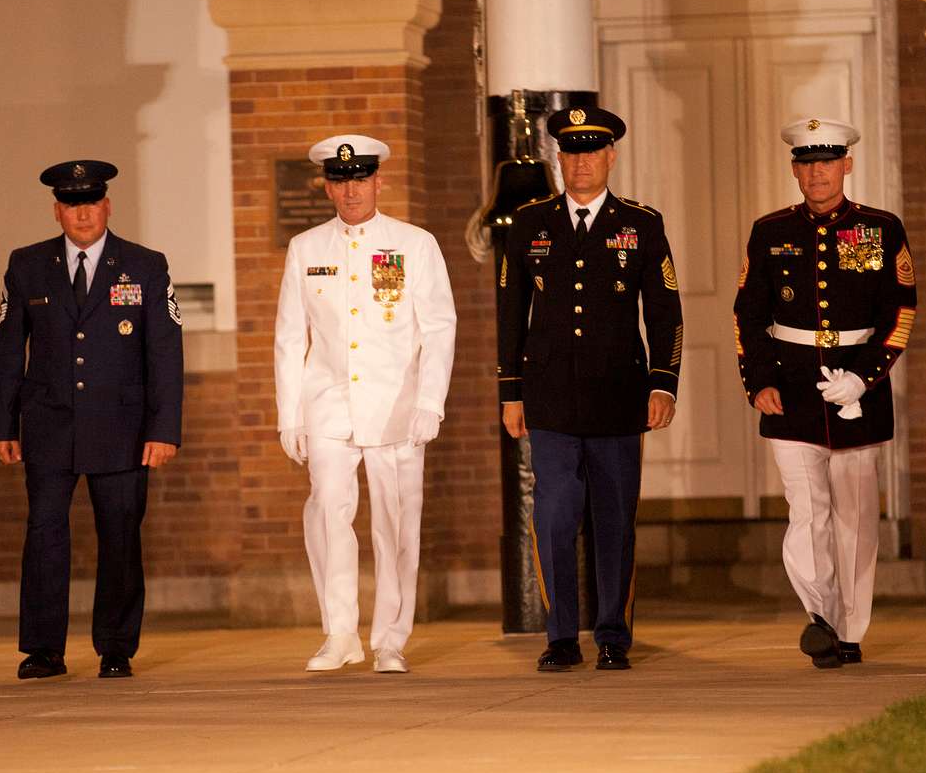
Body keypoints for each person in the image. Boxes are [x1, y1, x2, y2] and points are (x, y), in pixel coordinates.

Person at [496, 106, 683, 672]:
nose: (581, 162)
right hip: (549, 398)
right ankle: (559, 637)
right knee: (553, 518)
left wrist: (663, 384)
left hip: (620, 397)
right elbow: (510, 312)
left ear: (611, 156)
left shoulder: (641, 224)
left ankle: (612, 635)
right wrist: (511, 391)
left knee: (614, 519)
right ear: (559, 158)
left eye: (592, 151)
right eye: (571, 152)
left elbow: (667, 312)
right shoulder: (530, 223)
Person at [732, 117, 918, 669]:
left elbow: (899, 312)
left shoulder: (880, 229)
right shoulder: (770, 232)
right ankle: (821, 618)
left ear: (847, 165)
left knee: (855, 518)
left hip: (858, 389)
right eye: (807, 163)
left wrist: (864, 376)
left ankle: (851, 629)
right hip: (790, 390)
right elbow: (748, 315)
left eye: (827, 161)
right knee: (806, 511)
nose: (817, 172)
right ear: (795, 169)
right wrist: (759, 380)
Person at [0, 160, 184, 680]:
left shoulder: (145, 265)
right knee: (44, 533)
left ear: (107, 206)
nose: (83, 213)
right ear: (57, 211)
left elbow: (164, 353)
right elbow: (10, 349)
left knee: (119, 534)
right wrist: (3, 425)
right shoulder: (27, 265)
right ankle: (43, 649)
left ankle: (116, 647)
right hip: (50, 425)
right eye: (72, 204)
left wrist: (164, 430)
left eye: (92, 202)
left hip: (122, 427)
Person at [274, 134, 458, 674]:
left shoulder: (413, 243)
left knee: (397, 524)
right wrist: (292, 413)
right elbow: (290, 337)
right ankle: (339, 634)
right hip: (329, 403)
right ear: (326, 186)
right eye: (340, 180)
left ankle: (391, 639)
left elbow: (439, 328)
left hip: (398, 406)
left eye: (360, 179)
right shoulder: (306, 248)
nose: (350, 190)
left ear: (379, 181)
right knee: (328, 514)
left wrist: (431, 400)